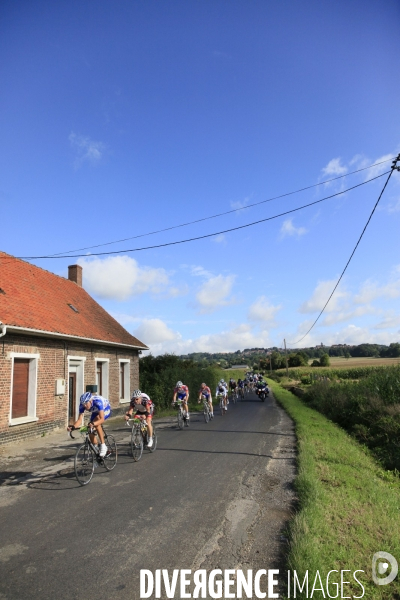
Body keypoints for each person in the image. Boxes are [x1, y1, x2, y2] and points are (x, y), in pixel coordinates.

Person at [68, 390, 111, 457]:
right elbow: (79, 420)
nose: (84, 405)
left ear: (90, 401)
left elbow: (102, 419)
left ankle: (103, 446)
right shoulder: (82, 405)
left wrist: (94, 424)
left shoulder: (98, 402)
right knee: (89, 429)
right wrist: (73, 427)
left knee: (96, 423)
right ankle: (96, 449)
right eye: (83, 404)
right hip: (95, 411)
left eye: (86, 403)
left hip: (105, 408)